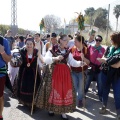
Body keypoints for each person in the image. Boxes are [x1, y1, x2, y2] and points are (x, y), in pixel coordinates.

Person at [35, 34, 86, 120]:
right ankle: (51, 109)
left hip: (64, 75)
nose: (68, 42)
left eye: (68, 40)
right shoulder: (52, 49)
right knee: (53, 91)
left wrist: (79, 63)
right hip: (53, 73)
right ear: (60, 40)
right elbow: (46, 60)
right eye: (66, 40)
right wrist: (55, 58)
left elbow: (72, 61)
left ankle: (63, 112)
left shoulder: (67, 51)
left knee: (63, 92)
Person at [97, 32, 120, 120]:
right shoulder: (109, 48)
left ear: (116, 40)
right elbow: (103, 57)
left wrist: (105, 61)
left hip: (116, 76)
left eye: (111, 39)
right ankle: (104, 106)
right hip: (105, 73)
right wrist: (107, 61)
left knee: (117, 94)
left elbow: (117, 65)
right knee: (105, 91)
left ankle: (118, 112)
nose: (110, 40)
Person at [17, 38, 41, 107]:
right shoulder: (22, 51)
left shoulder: (36, 51)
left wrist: (47, 61)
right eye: (27, 44)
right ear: (25, 44)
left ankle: (33, 103)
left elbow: (42, 60)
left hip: (33, 72)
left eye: (30, 44)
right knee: (23, 86)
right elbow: (17, 61)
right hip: (23, 72)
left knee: (33, 87)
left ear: (33, 44)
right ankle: (23, 100)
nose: (29, 45)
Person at [70, 35, 90, 107]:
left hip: (82, 72)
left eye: (76, 41)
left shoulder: (86, 49)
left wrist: (83, 57)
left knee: (81, 88)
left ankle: (80, 100)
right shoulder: (72, 49)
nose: (74, 42)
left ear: (81, 42)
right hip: (73, 71)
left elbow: (88, 62)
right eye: (74, 41)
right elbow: (68, 58)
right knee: (74, 87)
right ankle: (74, 101)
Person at [85, 35, 105, 102]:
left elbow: (104, 59)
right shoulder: (90, 47)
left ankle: (100, 96)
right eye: (97, 40)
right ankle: (84, 94)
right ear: (95, 40)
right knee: (87, 81)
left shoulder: (103, 49)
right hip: (91, 67)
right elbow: (87, 56)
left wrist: (102, 66)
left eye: (100, 40)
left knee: (100, 83)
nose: (98, 41)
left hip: (99, 69)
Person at [0, 36, 11, 120]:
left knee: (0, 96)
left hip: (1, 73)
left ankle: (0, 115)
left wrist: (2, 52)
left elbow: (8, 60)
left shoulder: (4, 41)